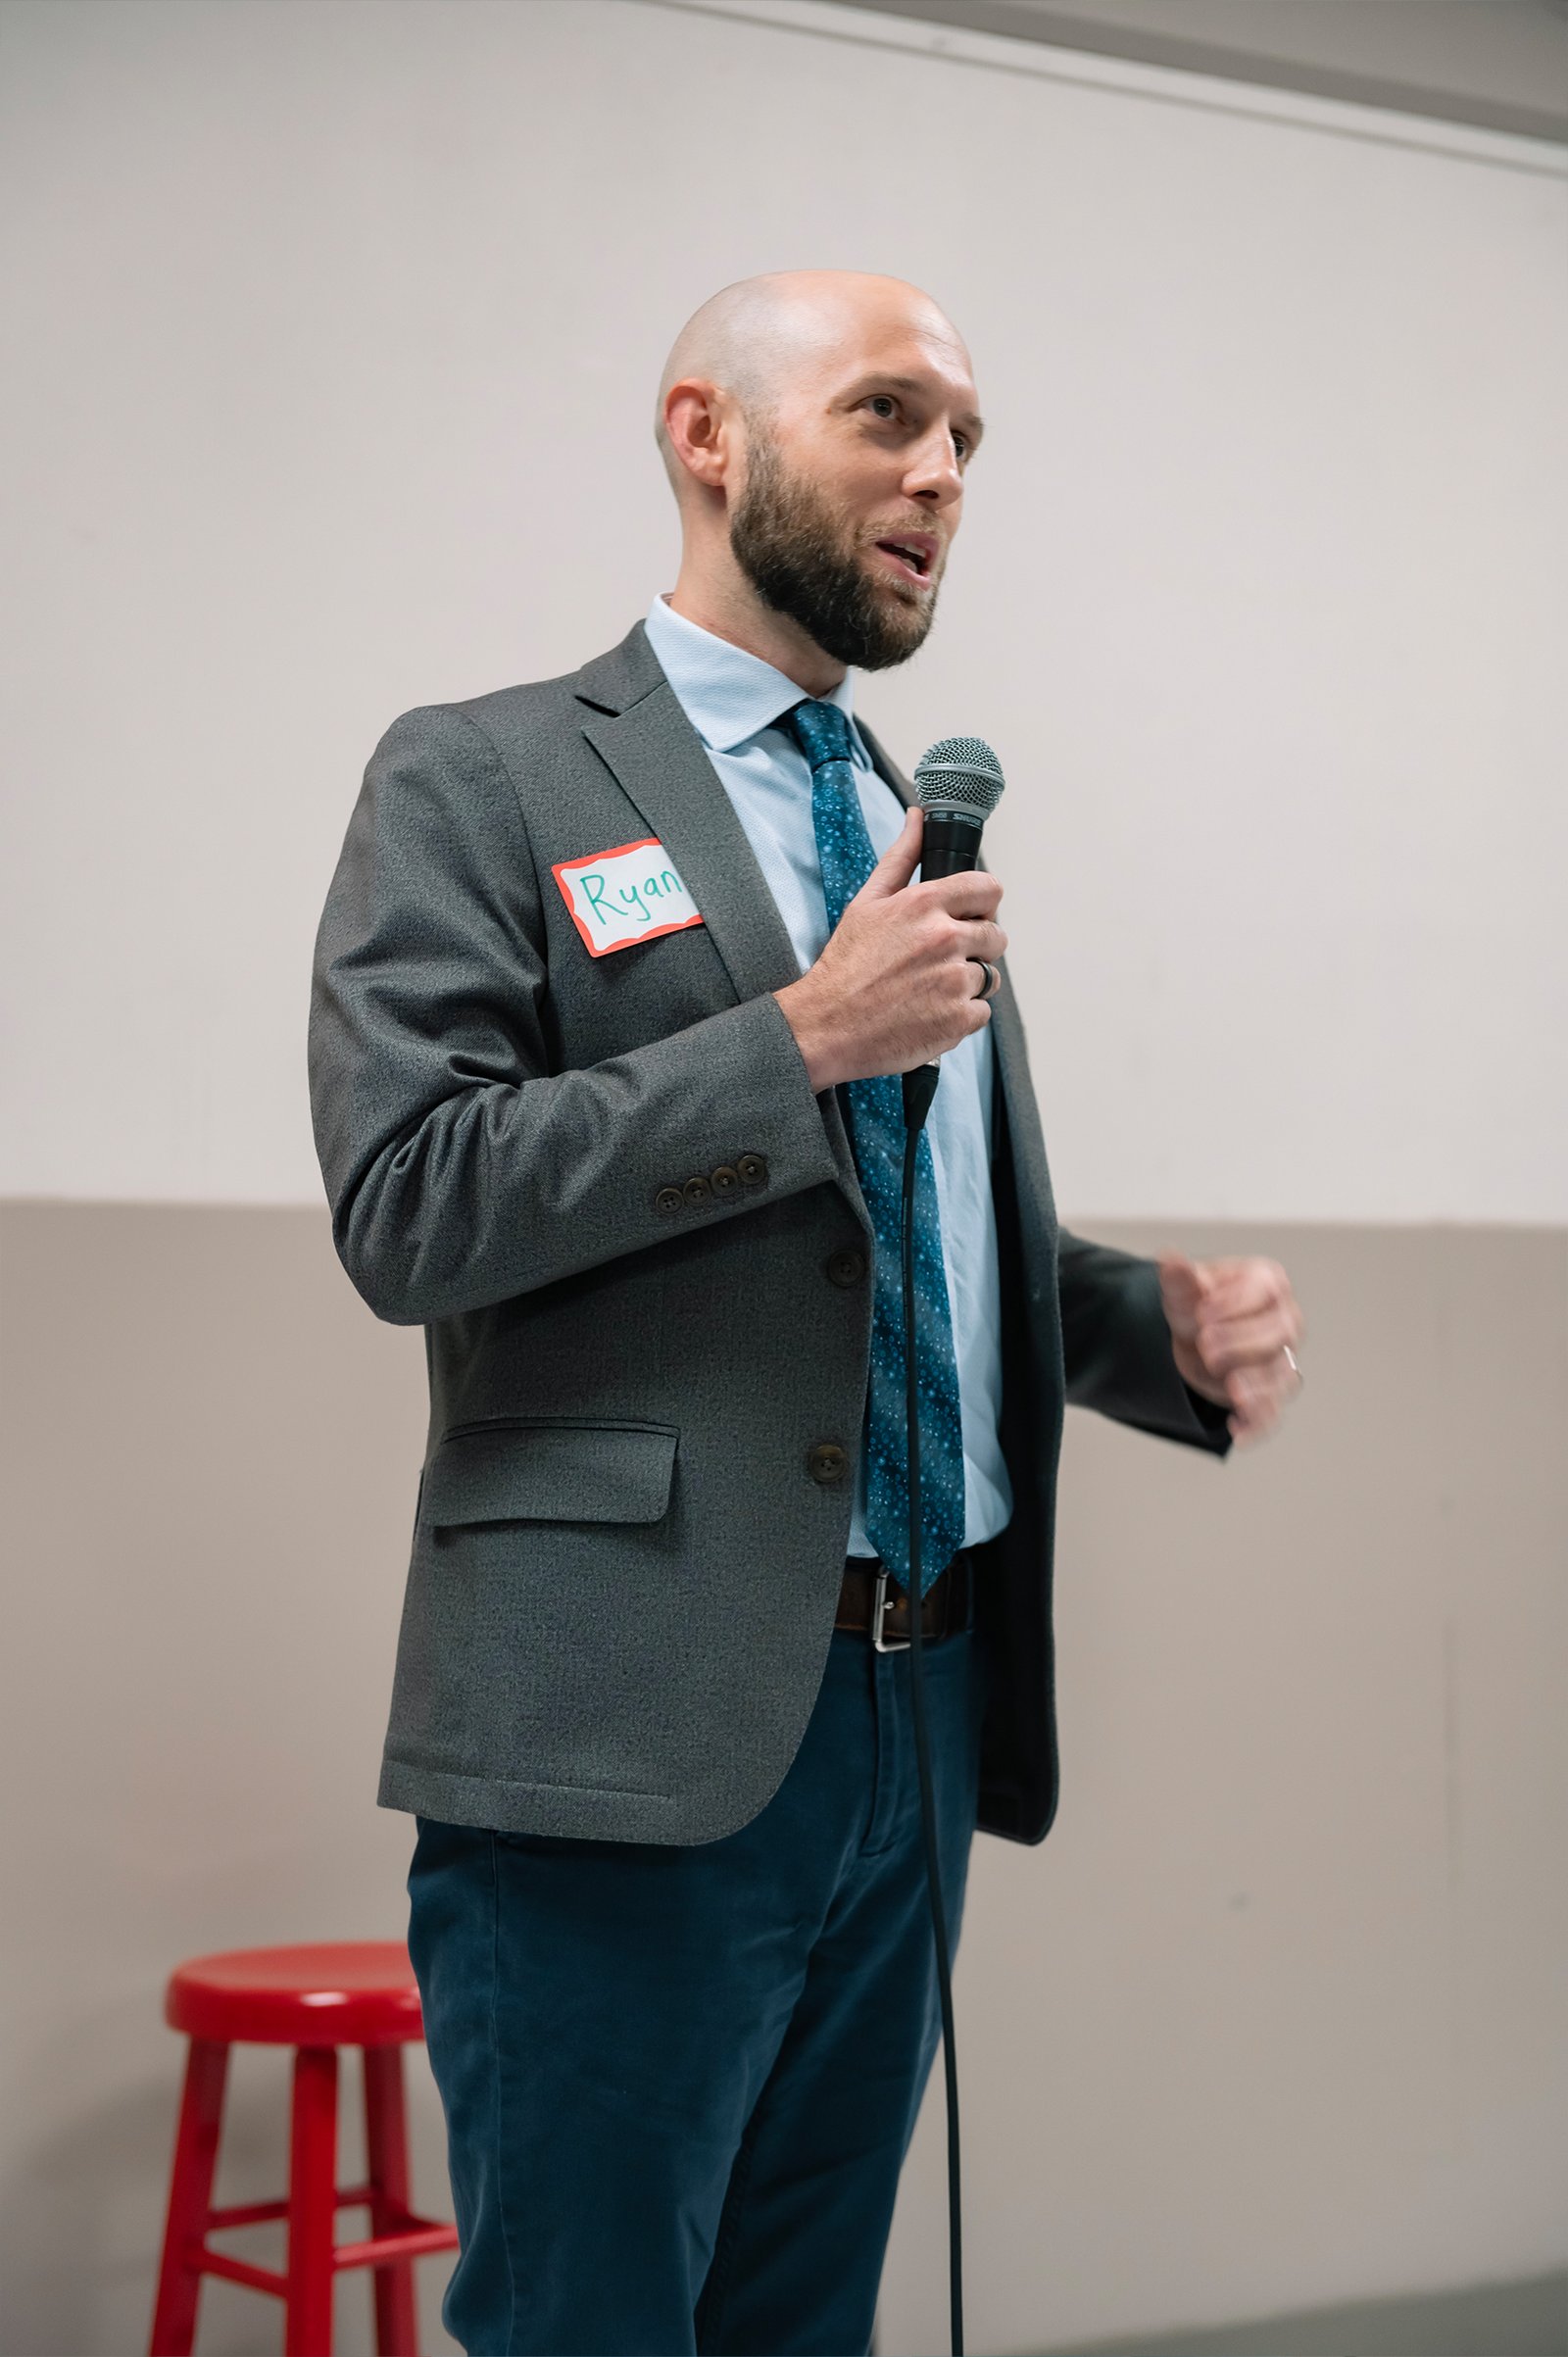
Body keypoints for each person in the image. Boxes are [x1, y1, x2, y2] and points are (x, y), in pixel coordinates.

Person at [308, 270, 1305, 2357]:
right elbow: (410, 1204)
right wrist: (798, 1037)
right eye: (886, 414)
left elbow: (900, 1237)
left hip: (913, 1709)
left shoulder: (903, 810)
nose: (941, 476)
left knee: (802, 2326)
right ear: (707, 434)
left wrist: (1153, 1324)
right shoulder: (487, 777)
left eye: (967, 442)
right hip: (628, 1725)